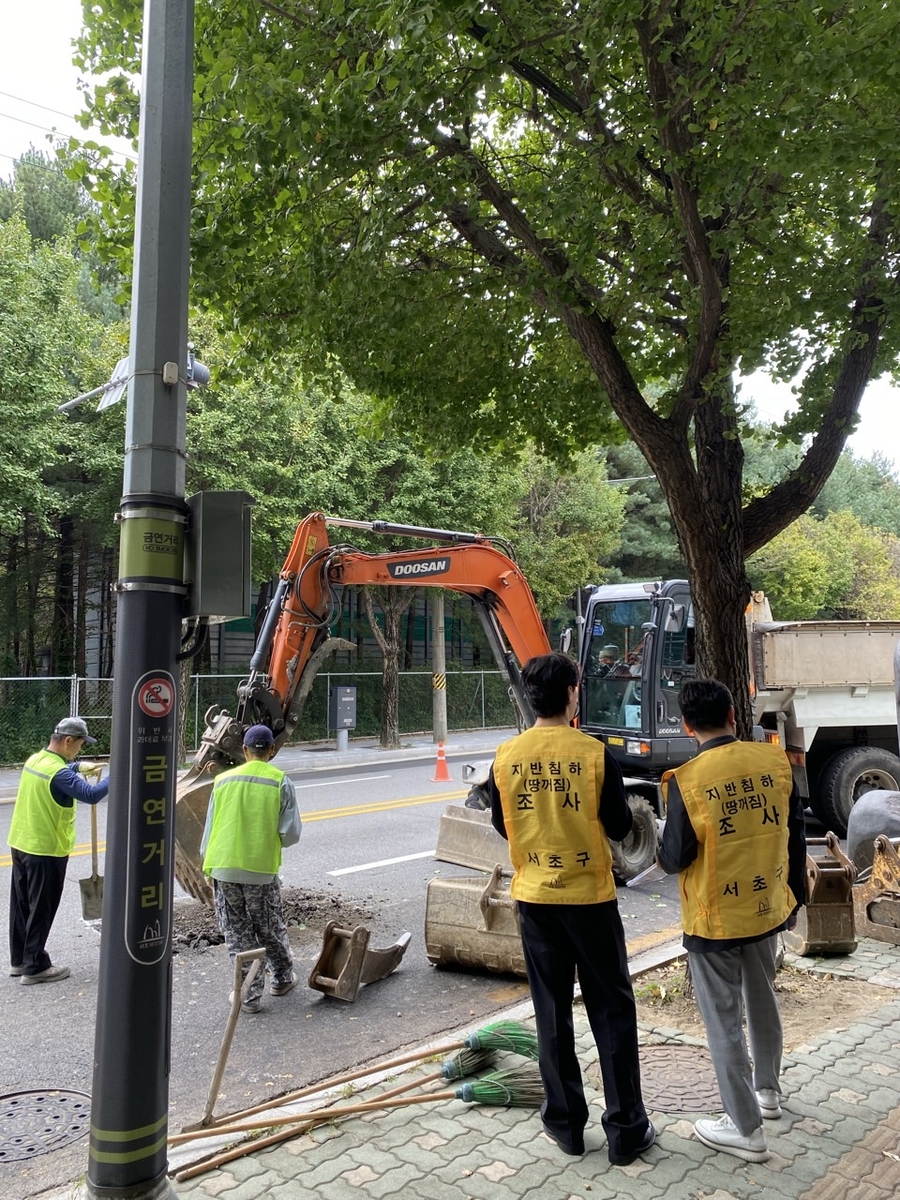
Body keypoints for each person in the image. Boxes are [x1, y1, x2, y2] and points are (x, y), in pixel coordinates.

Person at [487, 652, 655, 1165]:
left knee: (551, 1013)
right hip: (590, 899)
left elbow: (501, 822)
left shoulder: (506, 755)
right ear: (571, 693)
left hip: (535, 900)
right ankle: (626, 1130)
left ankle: (565, 1125)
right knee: (612, 1009)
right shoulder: (593, 753)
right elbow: (620, 825)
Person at [657, 678, 807, 1164]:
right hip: (767, 906)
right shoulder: (773, 762)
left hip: (714, 919)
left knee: (723, 1020)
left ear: (685, 725)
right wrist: (796, 899)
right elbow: (794, 832)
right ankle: (768, 1091)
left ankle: (745, 1127)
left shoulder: (688, 779)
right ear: (732, 716)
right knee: (763, 999)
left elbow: (675, 856)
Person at [201, 723, 301, 1013]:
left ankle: (248, 995)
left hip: (224, 868)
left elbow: (209, 832)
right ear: (272, 750)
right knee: (269, 927)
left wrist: (209, 867)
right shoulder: (280, 781)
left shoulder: (222, 781)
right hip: (260, 869)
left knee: (237, 933)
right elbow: (291, 834)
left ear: (244, 750)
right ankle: (282, 978)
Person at [7, 716, 109, 984]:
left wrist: (78, 765)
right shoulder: (60, 773)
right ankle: (35, 966)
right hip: (46, 850)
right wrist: (119, 774)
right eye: (79, 745)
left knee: (22, 906)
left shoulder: (35, 760)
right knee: (42, 907)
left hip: (20, 844)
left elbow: (63, 769)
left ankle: (19, 960)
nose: (80, 749)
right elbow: (92, 794)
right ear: (67, 741)